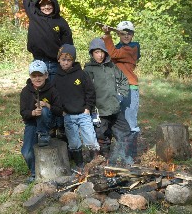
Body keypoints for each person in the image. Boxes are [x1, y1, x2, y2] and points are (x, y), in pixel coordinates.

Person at [84, 37, 134, 165]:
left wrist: (121, 95)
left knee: (125, 132)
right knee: (101, 136)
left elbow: (123, 80)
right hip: (99, 111)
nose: (99, 55)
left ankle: (125, 158)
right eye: (96, 52)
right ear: (92, 53)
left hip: (115, 107)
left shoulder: (112, 66)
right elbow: (84, 90)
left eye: (101, 52)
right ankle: (103, 161)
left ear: (105, 52)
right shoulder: (88, 70)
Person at [22, 0, 73, 81]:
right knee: (39, 94)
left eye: (49, 4)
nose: (46, 7)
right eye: (43, 4)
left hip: (56, 64)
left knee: (56, 94)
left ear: (54, 5)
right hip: (38, 62)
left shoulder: (60, 22)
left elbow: (68, 44)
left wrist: (67, 62)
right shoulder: (34, 14)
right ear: (39, 5)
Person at [52, 44, 100, 169]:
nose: (66, 63)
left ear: (73, 60)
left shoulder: (81, 74)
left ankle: (94, 162)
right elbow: (55, 97)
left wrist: (88, 108)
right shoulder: (56, 78)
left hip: (83, 113)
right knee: (74, 142)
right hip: (68, 115)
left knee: (90, 138)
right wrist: (61, 110)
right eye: (63, 60)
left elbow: (90, 91)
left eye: (69, 60)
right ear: (58, 60)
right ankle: (80, 164)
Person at [101, 21, 141, 159]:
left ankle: (129, 156)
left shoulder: (134, 47)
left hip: (130, 87)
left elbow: (112, 54)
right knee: (117, 121)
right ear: (118, 34)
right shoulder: (118, 46)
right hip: (115, 88)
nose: (126, 35)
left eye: (129, 33)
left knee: (130, 122)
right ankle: (120, 153)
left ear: (132, 35)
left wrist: (107, 35)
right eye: (123, 32)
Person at [19, 60, 63, 183]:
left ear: (46, 75)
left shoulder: (52, 90)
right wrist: (32, 113)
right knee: (26, 151)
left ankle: (44, 135)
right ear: (30, 76)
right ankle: (34, 173)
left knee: (43, 111)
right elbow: (23, 112)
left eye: (40, 75)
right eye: (34, 76)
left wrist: (48, 106)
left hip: (48, 122)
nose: (37, 78)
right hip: (32, 123)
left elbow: (59, 111)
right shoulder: (25, 92)